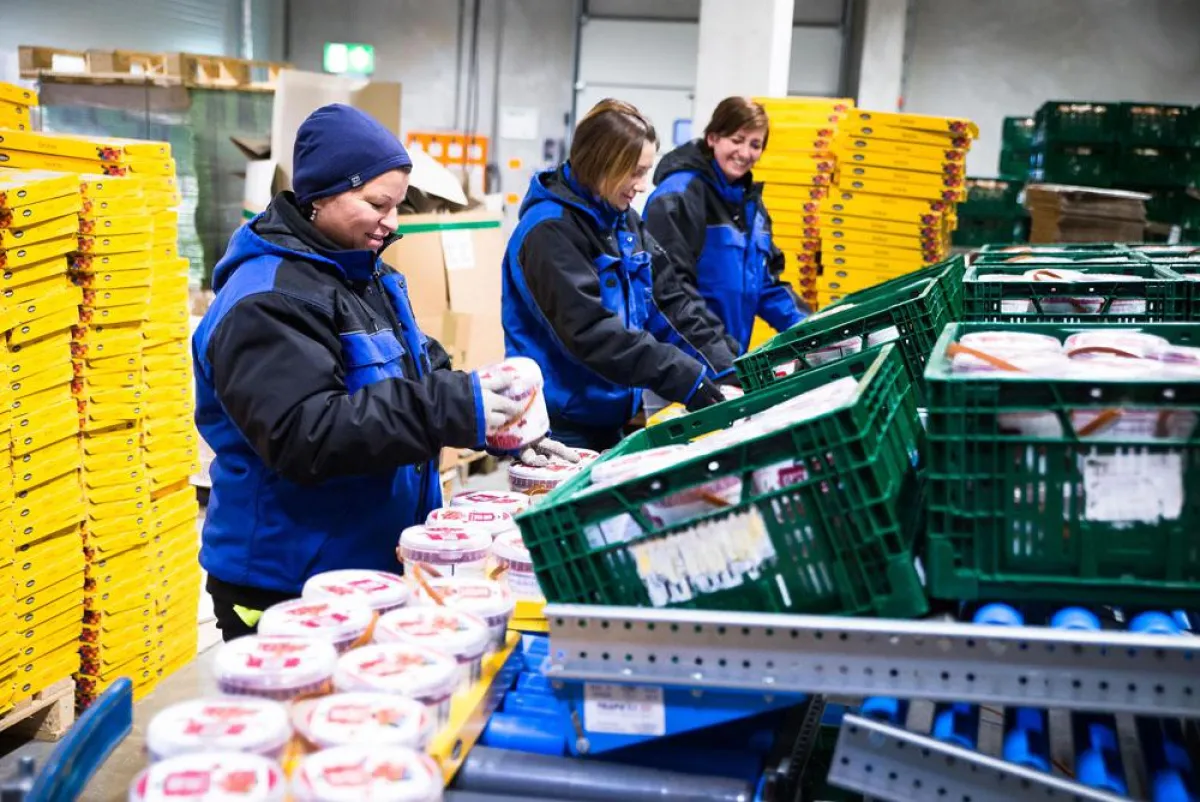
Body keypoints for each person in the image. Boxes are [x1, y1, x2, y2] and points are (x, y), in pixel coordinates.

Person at [193, 103, 571, 641]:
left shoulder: (363, 276)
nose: (392, 222)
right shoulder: (266, 299)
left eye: (396, 205)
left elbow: (418, 366)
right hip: (289, 584)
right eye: (377, 204)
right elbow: (306, 433)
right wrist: (456, 407)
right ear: (321, 196)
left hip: (366, 563)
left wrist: (497, 416)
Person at [501, 99, 739, 452]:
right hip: (557, 430)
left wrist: (725, 369)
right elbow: (592, 333)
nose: (643, 185)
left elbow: (670, 306)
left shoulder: (621, 220)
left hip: (609, 419)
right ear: (601, 163)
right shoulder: (549, 232)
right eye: (635, 172)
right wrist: (685, 378)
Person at [643, 96, 808, 356]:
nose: (745, 153)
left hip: (724, 360)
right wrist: (721, 358)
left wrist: (811, 330)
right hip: (681, 367)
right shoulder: (678, 197)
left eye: (755, 144)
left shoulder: (752, 207)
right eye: (737, 140)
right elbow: (671, 292)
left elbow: (766, 286)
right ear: (713, 138)